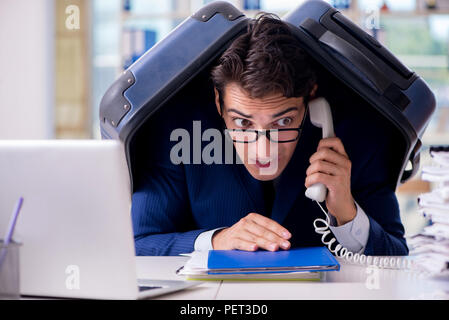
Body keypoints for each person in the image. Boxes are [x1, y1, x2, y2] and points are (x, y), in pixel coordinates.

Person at [131, 13, 408, 256]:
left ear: (311, 98)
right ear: (219, 102)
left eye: (283, 121)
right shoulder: (179, 132)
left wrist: (347, 213)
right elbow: (138, 243)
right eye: (242, 123)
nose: (263, 153)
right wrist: (218, 240)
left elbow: (397, 254)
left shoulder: (360, 136)